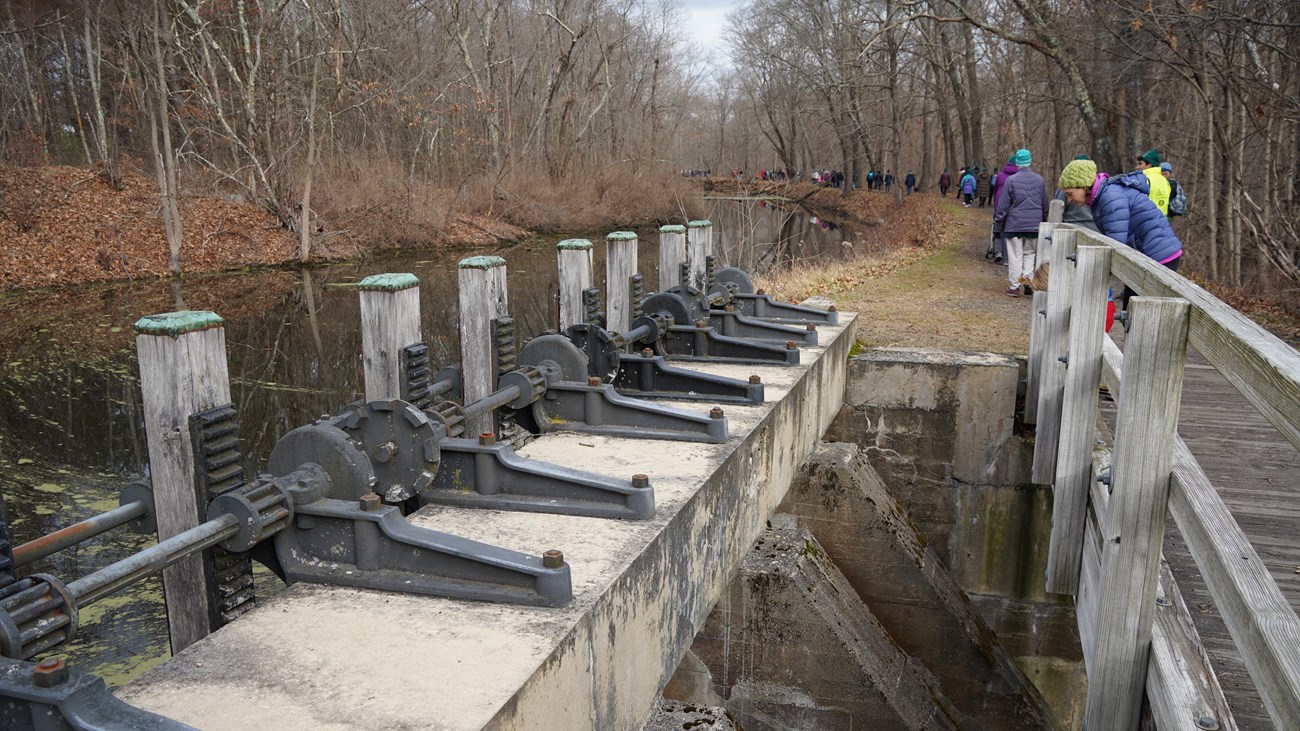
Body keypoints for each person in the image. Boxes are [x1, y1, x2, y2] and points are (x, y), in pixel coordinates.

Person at [1057, 158, 1183, 309]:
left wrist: (1095, 274)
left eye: (1070, 193)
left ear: (1083, 186)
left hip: (1160, 256)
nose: (1069, 200)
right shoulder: (1103, 196)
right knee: (1130, 310)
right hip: (1149, 254)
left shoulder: (1110, 196)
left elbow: (1116, 242)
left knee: (1137, 313)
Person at [993, 148, 1048, 297]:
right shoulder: (1039, 180)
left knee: (1015, 256)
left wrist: (999, 224)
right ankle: (1027, 281)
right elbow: (1044, 205)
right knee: (1030, 254)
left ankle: (1014, 286)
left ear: (1017, 163)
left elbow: (1003, 206)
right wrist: (1042, 221)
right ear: (1029, 162)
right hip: (1034, 225)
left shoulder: (1011, 180)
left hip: (1014, 225)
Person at [988, 155, 1019, 263]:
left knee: (998, 229)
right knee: (1009, 230)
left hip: (999, 204)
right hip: (1013, 206)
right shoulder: (1018, 176)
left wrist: (995, 202)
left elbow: (996, 190)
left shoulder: (1000, 175)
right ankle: (1007, 256)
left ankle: (998, 252)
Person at [1134, 148, 1171, 215]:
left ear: (1149, 164)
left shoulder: (1143, 179)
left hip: (1146, 219)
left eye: (1140, 164)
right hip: (1162, 221)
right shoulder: (1165, 181)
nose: (1137, 167)